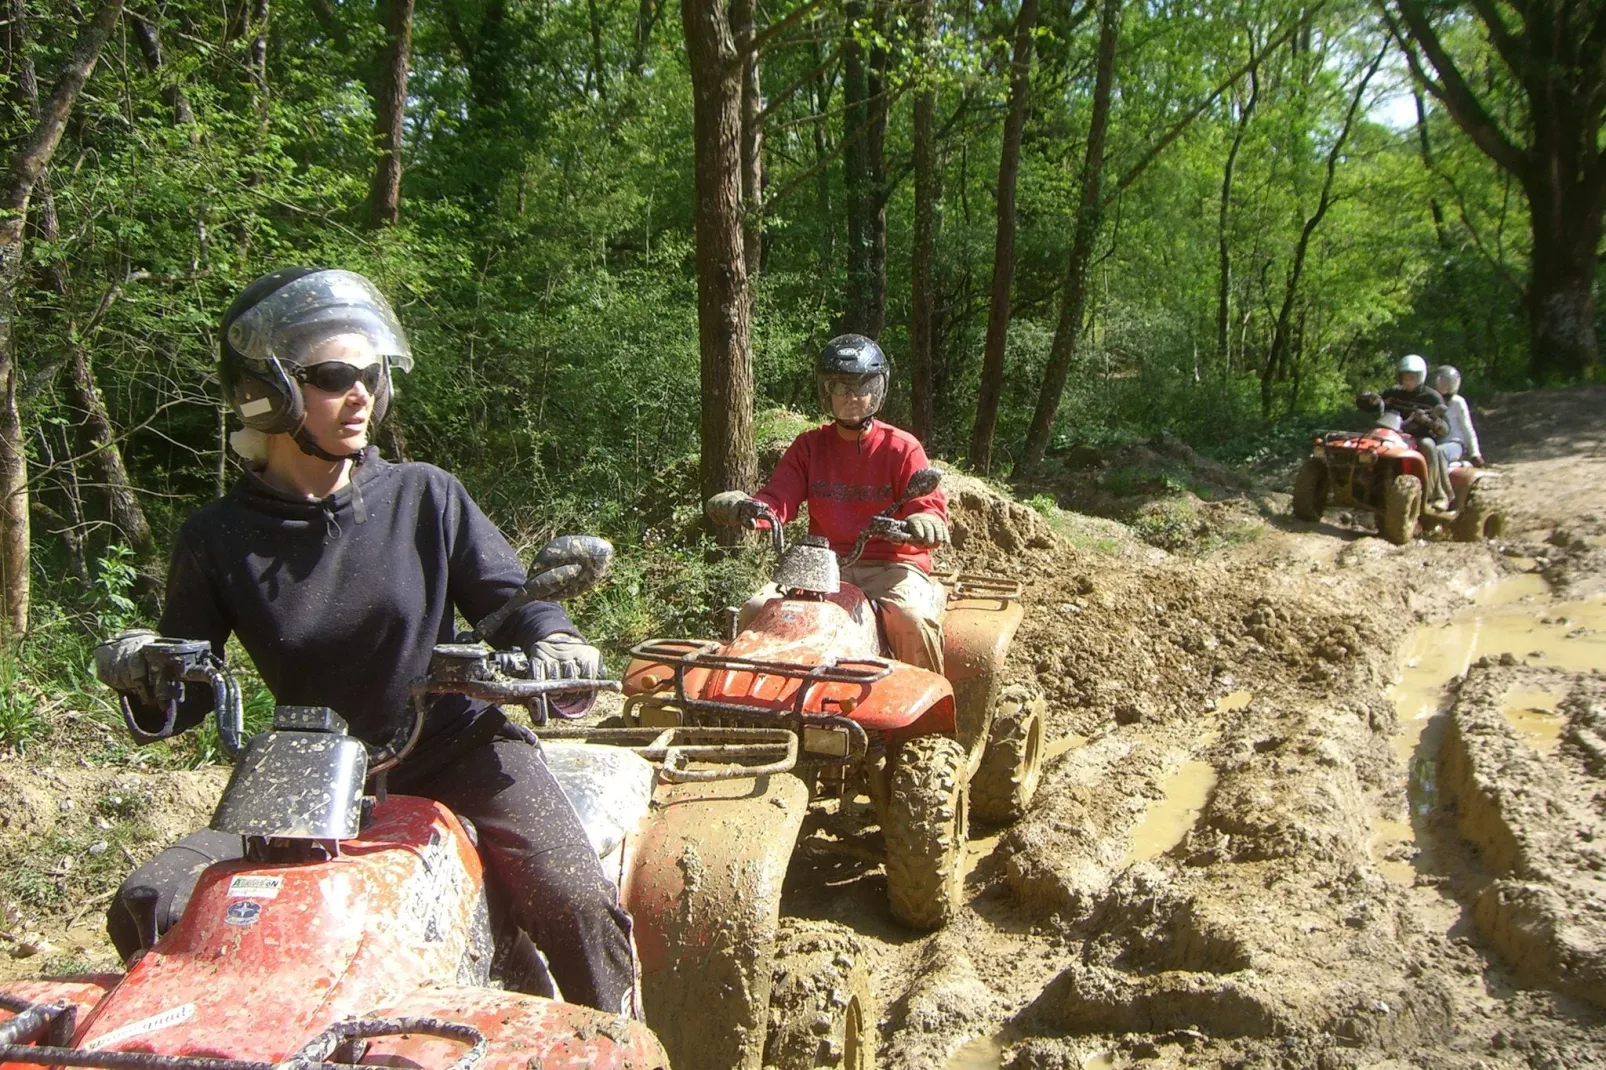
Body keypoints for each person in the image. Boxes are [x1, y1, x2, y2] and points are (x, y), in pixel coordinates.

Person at [93, 267, 636, 1015]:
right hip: (304, 775)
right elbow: (184, 695)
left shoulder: (425, 494)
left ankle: (615, 1042)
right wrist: (141, 672)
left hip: (457, 746)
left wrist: (560, 642)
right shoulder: (216, 537)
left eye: (369, 374)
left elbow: (514, 609)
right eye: (331, 376)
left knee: (575, 900)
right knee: (151, 904)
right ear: (266, 391)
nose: (360, 395)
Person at [705, 334, 949, 672]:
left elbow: (926, 503)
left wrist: (925, 520)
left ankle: (923, 709)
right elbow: (778, 498)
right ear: (826, 392)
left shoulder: (902, 447)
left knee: (911, 619)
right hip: (822, 567)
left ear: (877, 390)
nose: (851, 397)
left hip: (891, 567)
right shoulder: (809, 446)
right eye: (840, 387)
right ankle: (745, 704)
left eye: (862, 386)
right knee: (754, 609)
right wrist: (748, 508)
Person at [1359, 353, 1452, 510]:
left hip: (1418, 436)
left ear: (1420, 377)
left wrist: (1430, 420)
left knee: (1429, 446)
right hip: (1392, 433)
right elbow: (1372, 405)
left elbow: (1445, 429)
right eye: (1405, 377)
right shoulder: (1393, 393)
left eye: (1412, 378)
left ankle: (1435, 494)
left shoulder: (1432, 397)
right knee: (1366, 442)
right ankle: (1361, 483)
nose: (1408, 381)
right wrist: (1369, 399)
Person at [1431, 364, 1484, 469]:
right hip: (1437, 443)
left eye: (1445, 383)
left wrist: (1475, 453)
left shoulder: (1457, 402)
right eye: (1440, 382)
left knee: (1438, 452)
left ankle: (1462, 465)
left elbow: (1467, 428)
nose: (1442, 385)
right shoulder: (1431, 401)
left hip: (1455, 443)